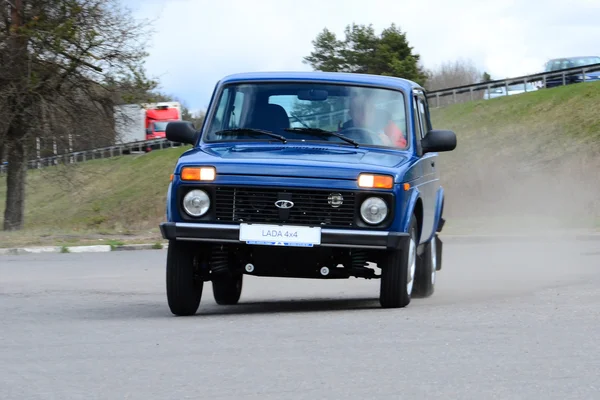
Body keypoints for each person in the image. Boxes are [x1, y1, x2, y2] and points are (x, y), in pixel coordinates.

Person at [339, 92, 407, 148]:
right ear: (351, 114)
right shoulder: (344, 129)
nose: (364, 114)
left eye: (368, 110)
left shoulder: (388, 126)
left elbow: (403, 148)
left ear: (374, 111)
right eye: (358, 110)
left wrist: (390, 144)